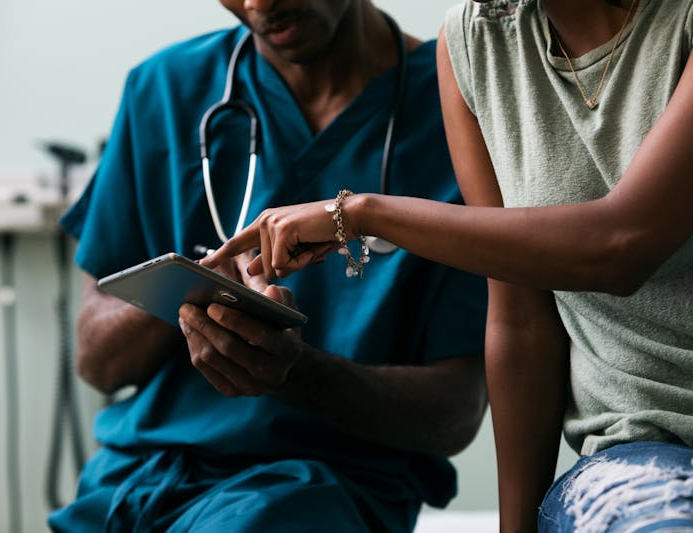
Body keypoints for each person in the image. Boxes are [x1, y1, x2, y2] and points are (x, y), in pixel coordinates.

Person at [202, 0, 693, 531]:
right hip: (643, 452)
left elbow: (621, 246)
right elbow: (520, 320)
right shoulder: (476, 39)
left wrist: (364, 214)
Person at [48, 1, 490, 531]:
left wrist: (295, 372)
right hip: (134, 485)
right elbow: (97, 362)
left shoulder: (457, 108)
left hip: (319, 492)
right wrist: (193, 289)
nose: (258, 3)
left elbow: (454, 414)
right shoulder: (165, 89)